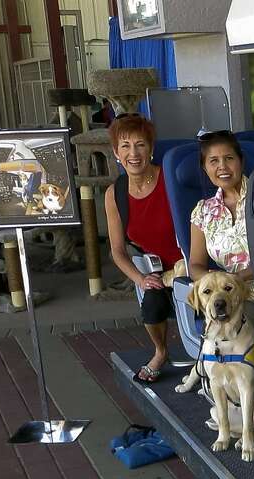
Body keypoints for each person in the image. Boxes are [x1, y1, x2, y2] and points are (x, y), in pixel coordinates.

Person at [104, 114, 182, 383]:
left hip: (189, 262)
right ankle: (161, 351)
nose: (133, 153)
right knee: (151, 301)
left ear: (150, 148)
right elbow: (117, 250)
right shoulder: (115, 194)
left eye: (140, 145)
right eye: (125, 146)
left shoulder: (170, 179)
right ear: (116, 152)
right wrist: (140, 279)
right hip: (156, 269)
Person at [189, 130, 254, 291]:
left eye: (229, 158)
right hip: (228, 296)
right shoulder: (203, 212)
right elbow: (195, 265)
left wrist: (235, 278)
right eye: (213, 161)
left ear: (241, 161)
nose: (222, 167)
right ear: (205, 169)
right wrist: (213, 279)